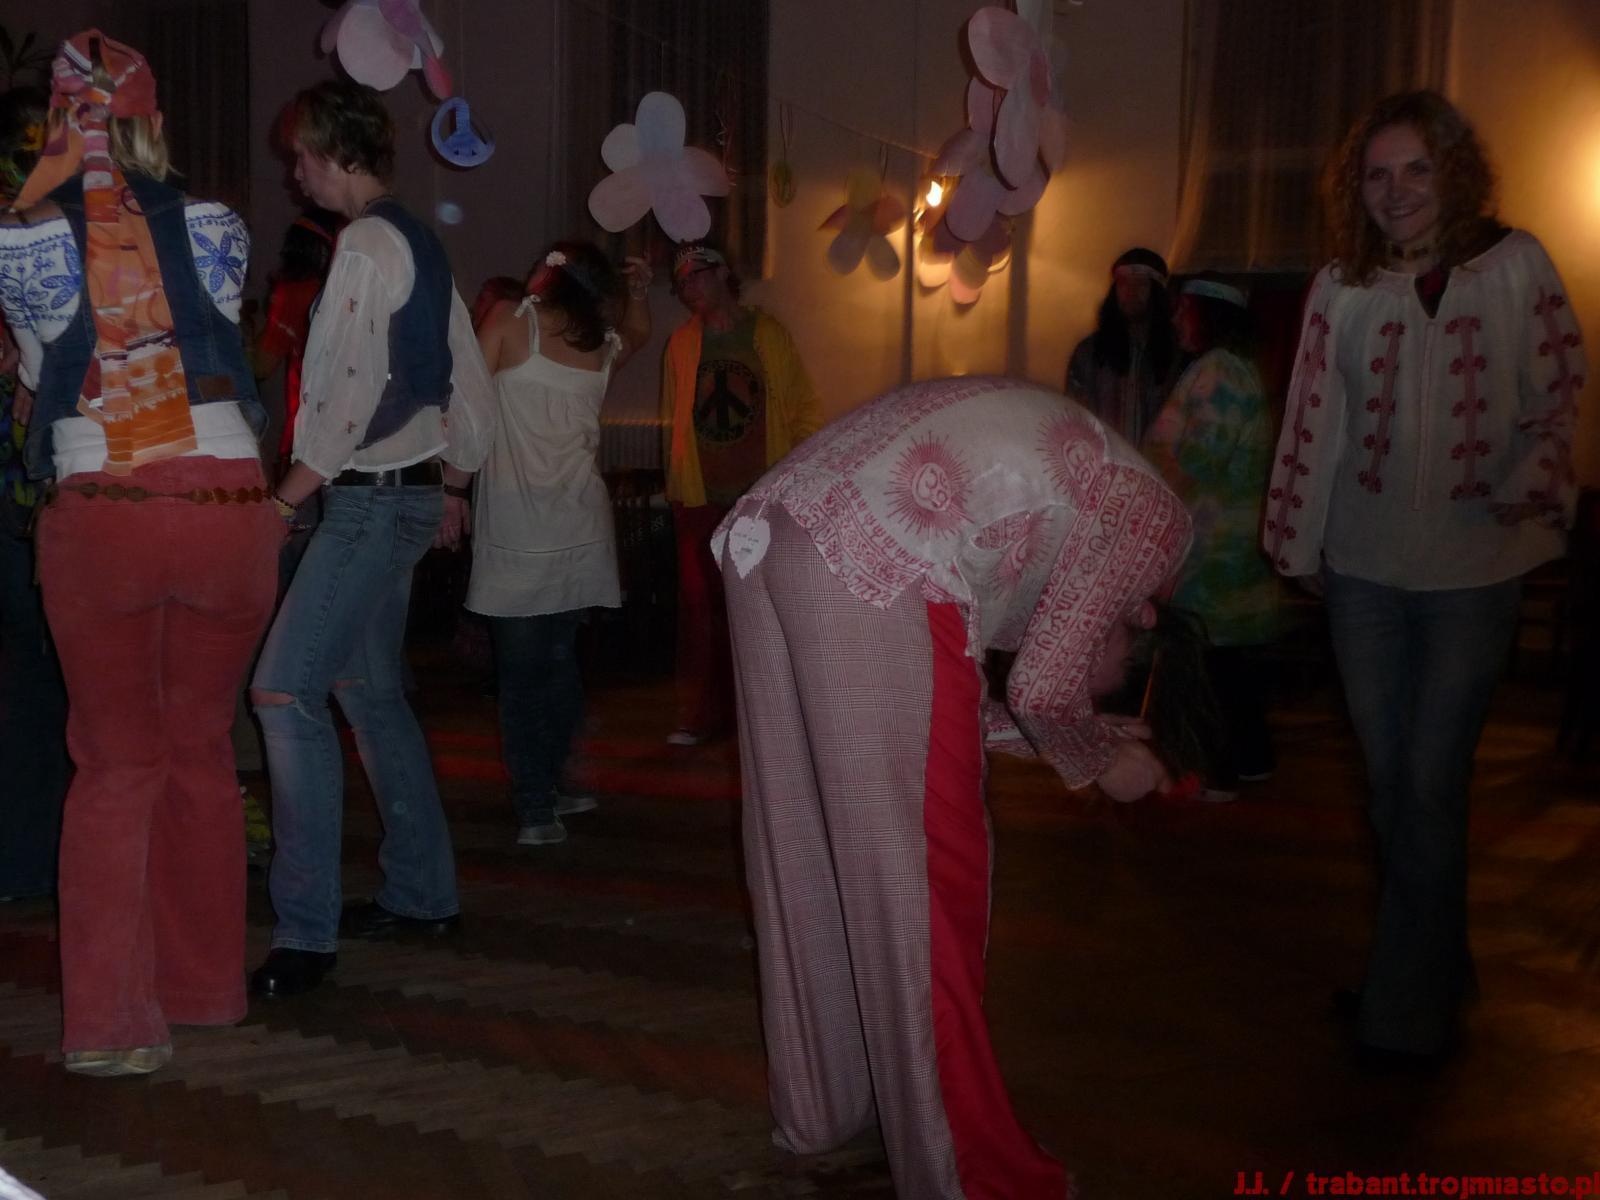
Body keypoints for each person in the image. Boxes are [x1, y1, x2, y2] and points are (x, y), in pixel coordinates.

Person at [715, 376, 1191, 1199]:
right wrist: (1104, 763)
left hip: (773, 521)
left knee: (801, 841)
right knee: (929, 888)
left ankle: (824, 1105)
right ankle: (969, 1174)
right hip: (884, 545)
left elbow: (951, 707)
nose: (1101, 683)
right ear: (1140, 619)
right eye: (1113, 676)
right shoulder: (1158, 527)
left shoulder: (1064, 525)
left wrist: (1070, 737)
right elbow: (1045, 688)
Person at [1264, 91, 1585, 1064]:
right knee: (1389, 787)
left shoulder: (1515, 263)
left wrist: (1527, 477)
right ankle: (1437, 964)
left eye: (1414, 168)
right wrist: (1297, 544)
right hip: (1363, 569)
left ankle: (1400, 1016)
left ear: (1451, 169)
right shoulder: (1341, 286)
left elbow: (1559, 384)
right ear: (1354, 189)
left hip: (1474, 571)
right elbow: (1312, 420)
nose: (1396, 190)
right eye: (1377, 174)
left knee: (1431, 783)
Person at [0, 31, 279, 1074]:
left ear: (57, 123)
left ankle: (116, 1027)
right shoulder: (217, 223)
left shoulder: (19, 242)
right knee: (200, 746)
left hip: (107, 503)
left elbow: (43, 372)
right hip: (228, 504)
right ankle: (206, 989)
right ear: (151, 120)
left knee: (116, 765)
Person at [247, 79, 494, 999]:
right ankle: (423, 893)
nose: (295, 171)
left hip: (365, 504)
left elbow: (343, 401)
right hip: (404, 498)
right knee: (369, 692)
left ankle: (305, 932)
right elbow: (470, 383)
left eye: (303, 155)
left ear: (337, 153)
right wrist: (454, 482)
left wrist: (281, 504)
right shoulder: (419, 240)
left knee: (282, 694)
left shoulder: (362, 245)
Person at [466, 241, 650, 845]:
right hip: (580, 528)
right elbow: (640, 331)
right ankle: (563, 783)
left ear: (551, 275)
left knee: (522, 674)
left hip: (520, 528)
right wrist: (638, 292)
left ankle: (536, 806)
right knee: (558, 662)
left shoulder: (508, 321)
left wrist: (450, 488)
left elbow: (468, 410)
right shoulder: (602, 346)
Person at [660, 239, 820, 745]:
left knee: (760, 609)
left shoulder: (766, 334)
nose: (689, 286)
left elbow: (801, 406)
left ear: (723, 273)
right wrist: (678, 486)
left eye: (697, 274)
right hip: (700, 498)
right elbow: (674, 421)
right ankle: (701, 714)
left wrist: (798, 477)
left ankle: (763, 716)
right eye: (681, 281)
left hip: (760, 499)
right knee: (700, 609)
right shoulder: (681, 344)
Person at [1142, 275, 1278, 792]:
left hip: (1210, 549)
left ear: (1207, 313)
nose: (1176, 320)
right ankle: (1250, 760)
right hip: (1223, 546)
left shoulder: (1219, 372)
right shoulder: (1234, 370)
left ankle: (1217, 773)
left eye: (1184, 310)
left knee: (1207, 665)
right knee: (1227, 664)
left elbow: (1199, 459)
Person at [0, 83, 68, 904]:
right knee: (41, 675)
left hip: (32, 485)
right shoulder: (36, 238)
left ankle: (29, 859)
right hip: (29, 492)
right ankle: (34, 859)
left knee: (37, 676)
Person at [1064, 246, 1179, 446]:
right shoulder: (1089, 352)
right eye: (1123, 283)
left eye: (1141, 284)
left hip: (1155, 464)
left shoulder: (1177, 353)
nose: (1130, 292)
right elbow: (1075, 418)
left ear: (1157, 292)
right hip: (1103, 460)